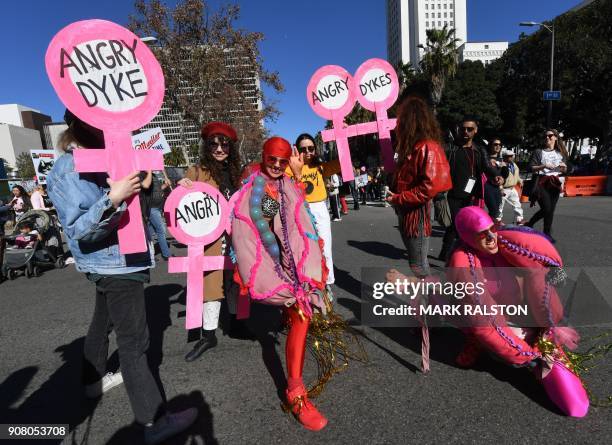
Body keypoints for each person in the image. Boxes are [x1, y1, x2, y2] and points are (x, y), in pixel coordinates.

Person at [47, 110, 196, 445]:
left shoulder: (118, 155)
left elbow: (145, 205)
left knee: (102, 323)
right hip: (114, 266)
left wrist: (143, 185)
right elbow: (78, 230)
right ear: (78, 124)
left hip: (122, 261)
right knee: (135, 344)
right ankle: (154, 421)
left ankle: (92, 381)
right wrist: (112, 198)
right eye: (97, 119)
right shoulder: (68, 168)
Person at [445, 206, 587, 416]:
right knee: (474, 324)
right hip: (492, 321)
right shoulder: (463, 266)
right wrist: (528, 357)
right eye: (482, 234)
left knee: (539, 279)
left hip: (523, 314)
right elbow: (484, 323)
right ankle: (475, 345)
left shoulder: (507, 244)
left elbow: (543, 266)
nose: (492, 236)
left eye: (493, 228)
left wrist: (551, 324)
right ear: (468, 238)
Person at [232, 137, 329, 431]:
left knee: (300, 318)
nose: (276, 165)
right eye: (272, 159)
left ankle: (295, 387)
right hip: (273, 268)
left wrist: (297, 177)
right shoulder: (255, 188)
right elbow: (264, 231)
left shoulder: (285, 183)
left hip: (291, 265)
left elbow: (295, 222)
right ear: (263, 156)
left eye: (282, 161)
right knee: (300, 317)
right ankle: (295, 392)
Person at [179, 121, 252, 362]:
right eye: (214, 144)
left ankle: (237, 324)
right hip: (210, 239)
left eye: (224, 145)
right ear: (206, 146)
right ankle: (209, 334)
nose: (219, 149)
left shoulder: (237, 173)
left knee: (235, 280)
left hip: (236, 236)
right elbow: (180, 205)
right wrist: (182, 188)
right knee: (212, 283)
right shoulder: (197, 171)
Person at [387, 96, 452, 278]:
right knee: (417, 264)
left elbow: (429, 187)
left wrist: (398, 198)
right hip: (408, 213)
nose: (398, 126)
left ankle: (430, 304)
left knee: (419, 266)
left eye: (402, 121)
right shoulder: (413, 148)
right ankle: (426, 302)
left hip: (416, 216)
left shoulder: (428, 147)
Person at [439, 117, 503, 261]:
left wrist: (497, 175)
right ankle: (448, 252)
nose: (465, 132)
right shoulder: (450, 148)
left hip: (472, 194)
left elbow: (487, 166)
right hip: (452, 193)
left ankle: (458, 252)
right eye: (463, 129)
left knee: (468, 225)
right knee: (455, 224)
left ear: (475, 131)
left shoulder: (479, 150)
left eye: (470, 129)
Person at [290, 133, 340, 296]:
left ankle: (327, 283)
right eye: (303, 149)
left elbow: (343, 162)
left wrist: (341, 135)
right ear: (297, 150)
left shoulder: (321, 167)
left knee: (325, 247)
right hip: (300, 209)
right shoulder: (290, 167)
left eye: (311, 148)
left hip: (319, 208)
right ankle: (310, 284)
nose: (308, 152)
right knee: (306, 249)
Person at [525, 129, 569, 241]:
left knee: (550, 210)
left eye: (550, 136)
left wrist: (565, 168)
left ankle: (546, 232)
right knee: (547, 208)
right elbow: (530, 167)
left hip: (555, 182)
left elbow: (566, 169)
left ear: (555, 137)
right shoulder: (539, 152)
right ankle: (531, 223)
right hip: (541, 182)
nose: (547, 138)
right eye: (545, 136)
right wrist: (543, 166)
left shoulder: (561, 153)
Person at [141, 170, 172, 260]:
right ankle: (167, 255)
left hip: (158, 207)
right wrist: (149, 171)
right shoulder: (144, 175)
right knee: (161, 230)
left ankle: (147, 254)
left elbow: (158, 189)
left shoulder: (153, 175)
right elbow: (145, 187)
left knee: (150, 232)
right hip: (151, 207)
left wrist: (165, 185)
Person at [497, 149, 524, 224]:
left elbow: (516, 175)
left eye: (512, 156)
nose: (512, 157)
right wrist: (500, 187)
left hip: (512, 188)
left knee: (517, 204)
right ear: (505, 157)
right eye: (509, 156)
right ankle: (498, 220)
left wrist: (520, 180)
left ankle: (519, 219)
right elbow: (498, 177)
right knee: (500, 206)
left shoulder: (514, 164)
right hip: (504, 188)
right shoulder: (501, 165)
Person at [483, 138, 505, 220]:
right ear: (490, 146)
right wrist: (489, 162)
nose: (498, 146)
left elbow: (503, 176)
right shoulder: (486, 159)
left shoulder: (501, 160)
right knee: (493, 210)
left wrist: (502, 185)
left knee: (496, 211)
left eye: (500, 145)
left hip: (498, 187)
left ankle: (490, 227)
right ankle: (486, 228)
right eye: (495, 144)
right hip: (487, 186)